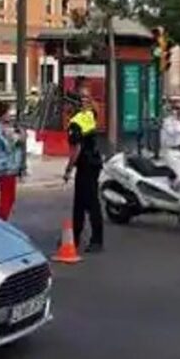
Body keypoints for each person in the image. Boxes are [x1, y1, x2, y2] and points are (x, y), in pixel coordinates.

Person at [63, 93, 104, 253]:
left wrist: (68, 170)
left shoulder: (75, 124)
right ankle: (75, 236)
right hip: (94, 163)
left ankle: (96, 240)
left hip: (85, 165)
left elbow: (76, 149)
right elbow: (95, 109)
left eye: (67, 104)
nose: (64, 107)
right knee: (80, 204)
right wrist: (88, 101)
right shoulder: (88, 115)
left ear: (73, 106)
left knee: (90, 203)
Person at [0, 100, 24, 221]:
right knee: (7, 198)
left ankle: (2, 220)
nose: (10, 115)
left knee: (8, 197)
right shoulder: (1, 130)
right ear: (1, 115)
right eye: (8, 113)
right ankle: (1, 222)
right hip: (5, 168)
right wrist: (21, 136)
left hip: (5, 167)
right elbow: (11, 145)